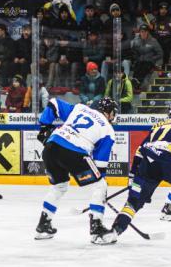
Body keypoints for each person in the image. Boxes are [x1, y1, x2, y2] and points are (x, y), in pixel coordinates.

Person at [105, 100, 171, 245]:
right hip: (167, 160)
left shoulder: (157, 126)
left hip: (147, 164)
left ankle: (114, 231)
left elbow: (139, 151)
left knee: (133, 201)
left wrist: (132, 176)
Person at [33, 97, 118, 242]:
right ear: (107, 112)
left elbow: (54, 102)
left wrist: (44, 128)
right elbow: (100, 164)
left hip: (51, 147)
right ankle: (96, 229)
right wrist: (101, 188)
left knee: (59, 186)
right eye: (112, 112)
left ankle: (43, 226)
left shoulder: (80, 108)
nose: (113, 116)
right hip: (74, 152)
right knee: (100, 185)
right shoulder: (108, 129)